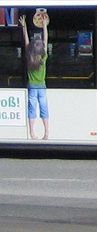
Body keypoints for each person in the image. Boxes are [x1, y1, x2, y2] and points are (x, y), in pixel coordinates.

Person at [23, 9, 48, 140]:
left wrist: (24, 27)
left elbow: (26, 43)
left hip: (32, 87)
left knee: (32, 110)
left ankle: (32, 132)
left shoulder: (29, 58)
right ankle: (46, 133)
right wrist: (44, 25)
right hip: (42, 87)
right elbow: (46, 40)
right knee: (44, 109)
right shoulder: (43, 59)